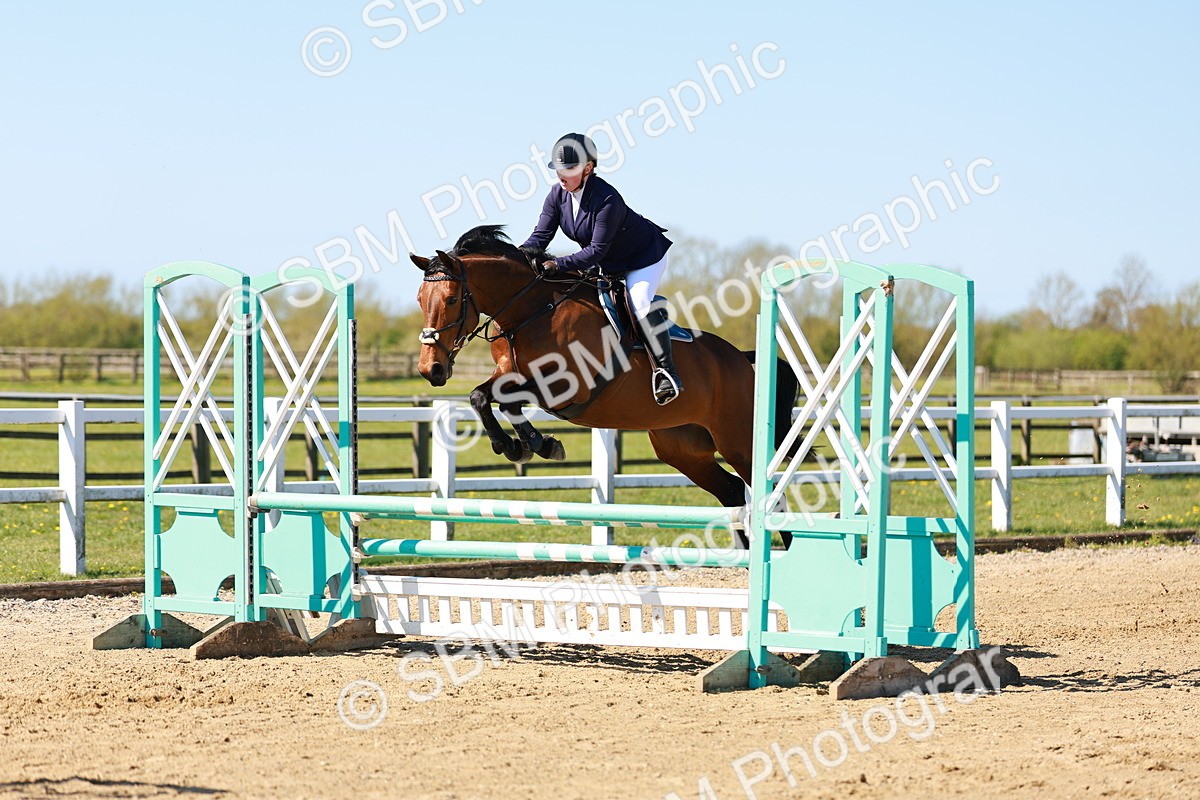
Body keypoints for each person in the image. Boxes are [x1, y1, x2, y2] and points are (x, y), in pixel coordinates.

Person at [521, 132, 682, 405]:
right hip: (607, 263)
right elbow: (540, 237)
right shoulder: (556, 196)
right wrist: (518, 258)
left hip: (642, 259)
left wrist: (558, 263)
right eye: (559, 169)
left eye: (570, 169)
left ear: (588, 168)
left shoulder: (607, 199)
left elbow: (596, 250)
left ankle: (667, 373)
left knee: (640, 302)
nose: (562, 175)